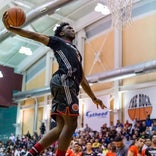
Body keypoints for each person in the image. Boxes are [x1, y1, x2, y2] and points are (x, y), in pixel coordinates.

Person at [2, 12, 107, 156]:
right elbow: (36, 36)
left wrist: (94, 98)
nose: (72, 29)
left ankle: (31, 153)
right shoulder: (58, 42)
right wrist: (13, 29)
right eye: (69, 27)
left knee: (61, 127)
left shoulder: (76, 52)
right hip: (65, 81)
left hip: (64, 83)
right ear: (62, 32)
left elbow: (82, 78)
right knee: (71, 124)